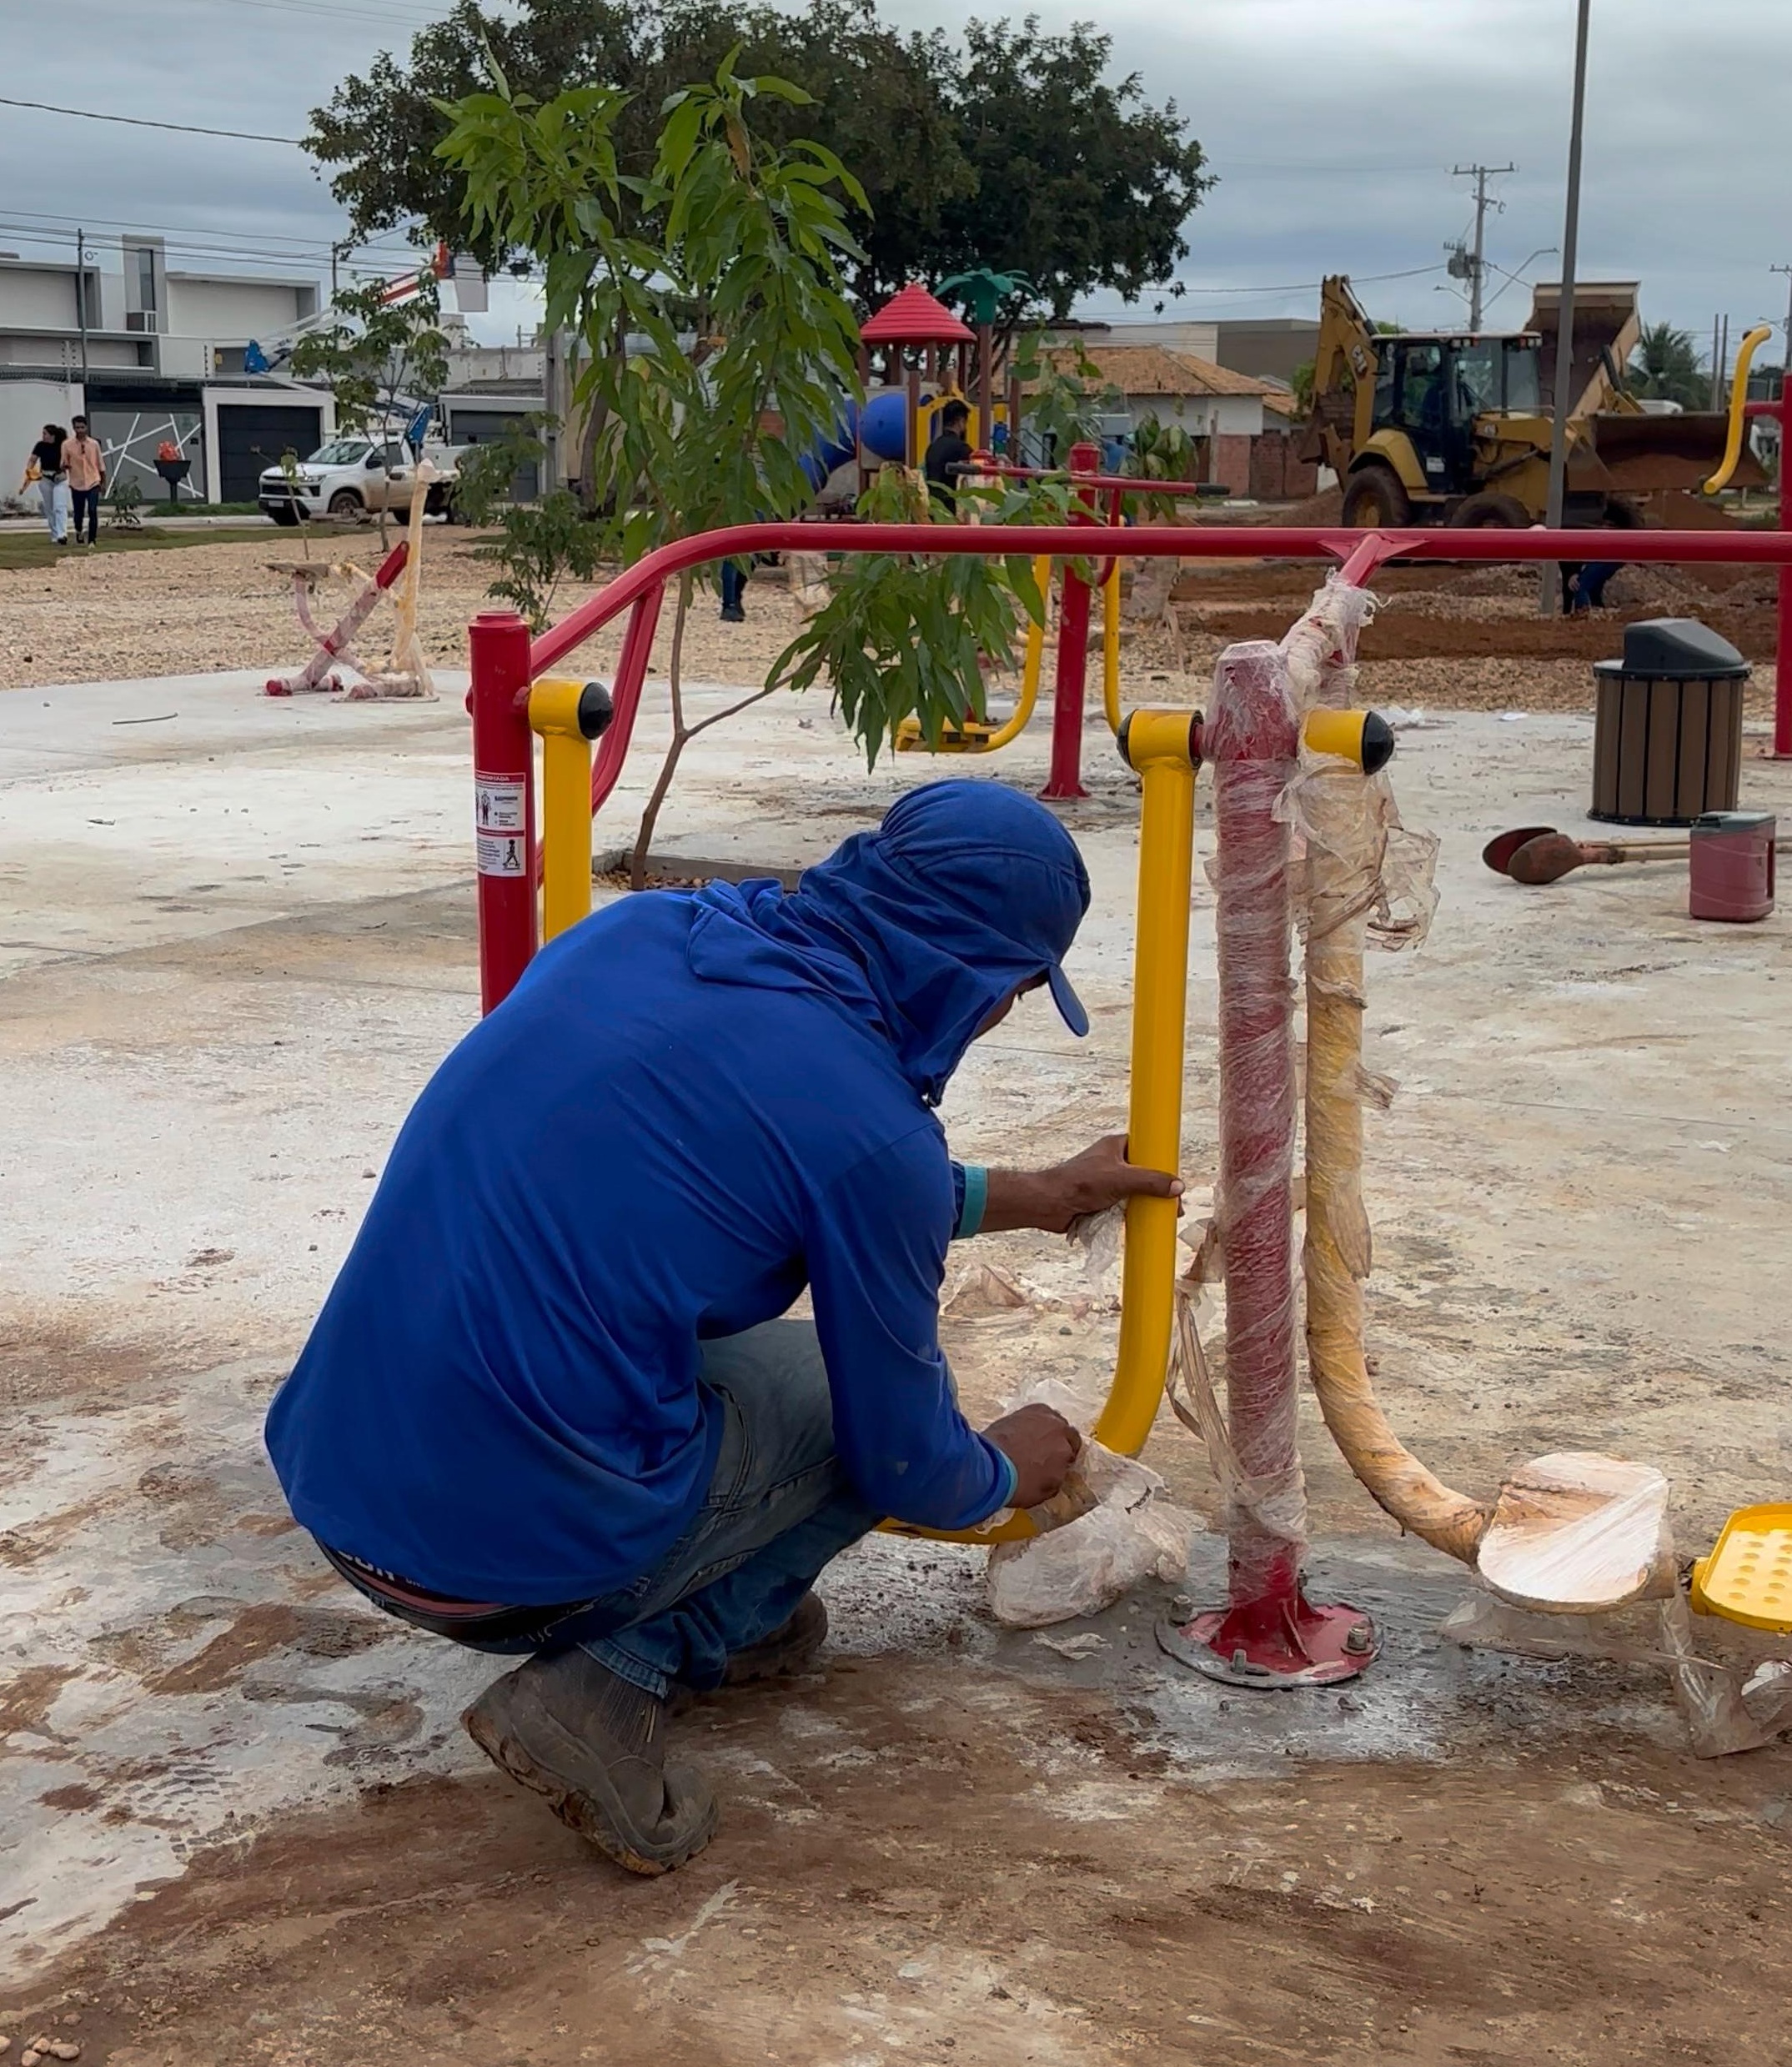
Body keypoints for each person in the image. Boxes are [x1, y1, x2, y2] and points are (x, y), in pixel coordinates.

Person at [266, 780, 1180, 1876]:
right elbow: (908, 1462)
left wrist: (1027, 1193)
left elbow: (768, 1157)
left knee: (662, 1340)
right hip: (483, 1568)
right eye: (1013, 992)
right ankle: (616, 1671)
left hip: (340, 1485)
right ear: (970, 974)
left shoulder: (638, 934)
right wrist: (1002, 1472)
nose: (994, 1018)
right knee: (851, 1400)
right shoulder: (871, 1135)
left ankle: (720, 1605)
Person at [922, 399, 974, 513]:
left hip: (933, 508)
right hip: (953, 509)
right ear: (960, 421)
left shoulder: (933, 447)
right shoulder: (962, 449)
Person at [23, 424, 68, 545]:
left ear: (52, 435)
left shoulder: (62, 445)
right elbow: (33, 459)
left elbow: (68, 460)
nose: (43, 436)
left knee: (60, 506)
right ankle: (54, 534)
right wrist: (29, 471)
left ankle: (62, 534)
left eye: (45, 434)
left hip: (60, 478)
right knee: (50, 507)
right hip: (46, 478)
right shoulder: (40, 446)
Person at [63, 416, 105, 547]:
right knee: (79, 512)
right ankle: (79, 530)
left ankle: (92, 540)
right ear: (74, 428)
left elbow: (100, 465)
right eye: (77, 427)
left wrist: (103, 483)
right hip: (77, 482)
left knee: (92, 510)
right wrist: (65, 466)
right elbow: (63, 463)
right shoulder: (67, 445)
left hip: (93, 481)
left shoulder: (94, 444)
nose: (80, 430)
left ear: (86, 428)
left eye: (82, 427)